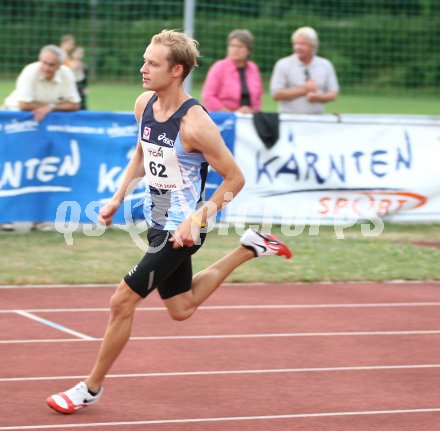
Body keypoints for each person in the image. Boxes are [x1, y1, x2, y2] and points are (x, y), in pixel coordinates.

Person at [46, 29, 291, 414]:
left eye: (152, 63)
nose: (143, 68)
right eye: (145, 60)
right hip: (157, 219)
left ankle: (90, 388)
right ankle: (250, 247)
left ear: (176, 71)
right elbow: (142, 154)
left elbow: (235, 178)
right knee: (181, 307)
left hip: (183, 229)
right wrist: (117, 197)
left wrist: (197, 219)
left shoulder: (196, 124)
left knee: (122, 301)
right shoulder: (144, 104)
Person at [270, 26, 339, 114]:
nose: (297, 47)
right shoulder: (283, 64)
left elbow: (333, 94)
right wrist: (305, 90)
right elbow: (276, 94)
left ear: (313, 46)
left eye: (302, 44)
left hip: (317, 120)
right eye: (296, 44)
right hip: (289, 120)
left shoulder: (325, 65)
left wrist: (318, 98)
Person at [3, 44, 81, 121]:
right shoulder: (30, 71)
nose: (46, 68)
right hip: (12, 114)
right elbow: (24, 104)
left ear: (59, 66)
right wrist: (49, 107)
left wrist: (50, 107)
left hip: (45, 119)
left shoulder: (66, 73)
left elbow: (75, 105)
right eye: (44, 63)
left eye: (51, 65)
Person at [202, 29, 263, 113]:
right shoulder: (219, 67)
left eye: (240, 46)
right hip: (223, 118)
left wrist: (253, 111)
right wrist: (232, 114)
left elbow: (258, 97)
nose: (235, 49)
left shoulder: (253, 68)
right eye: (232, 46)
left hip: (250, 117)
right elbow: (208, 96)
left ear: (248, 50)